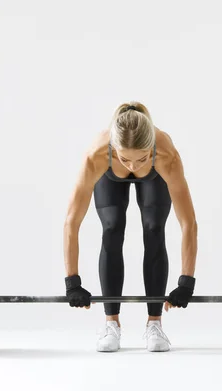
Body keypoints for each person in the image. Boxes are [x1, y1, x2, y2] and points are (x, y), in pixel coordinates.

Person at [63, 102, 198, 352]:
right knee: (112, 228)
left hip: (155, 177)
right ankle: (111, 323)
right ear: (113, 148)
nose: (133, 167)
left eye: (141, 159)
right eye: (125, 159)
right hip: (109, 177)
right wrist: (72, 281)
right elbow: (72, 221)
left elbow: (188, 222)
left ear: (152, 150)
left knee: (154, 227)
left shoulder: (167, 155)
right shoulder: (97, 155)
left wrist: (186, 281)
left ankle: (154, 323)